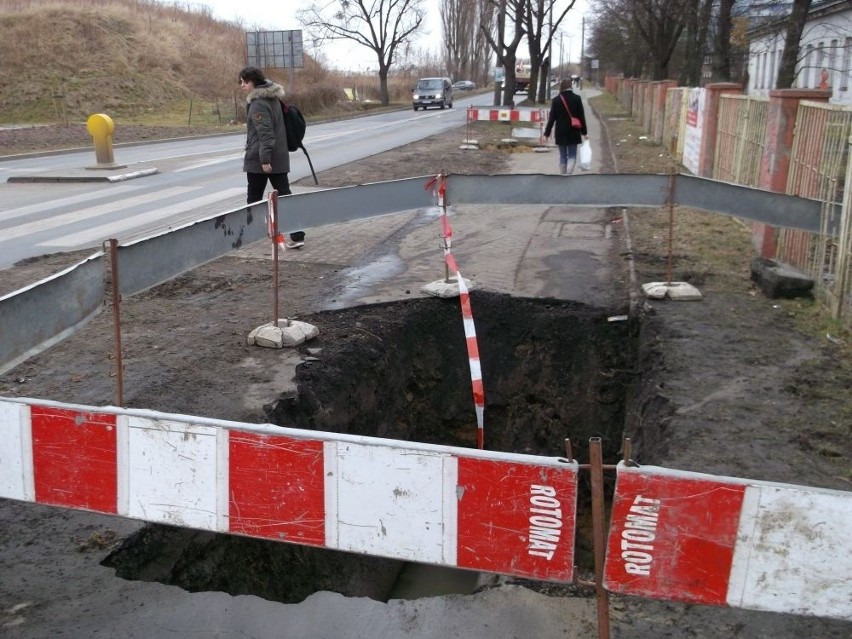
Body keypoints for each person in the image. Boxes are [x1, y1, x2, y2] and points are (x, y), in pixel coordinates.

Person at [238, 66, 304, 248]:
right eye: (241, 82)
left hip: (262, 160)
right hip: (279, 158)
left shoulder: (258, 103)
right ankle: (298, 234)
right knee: (285, 197)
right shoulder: (273, 98)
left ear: (254, 82)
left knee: (254, 199)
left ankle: (251, 233)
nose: (242, 85)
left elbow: (265, 134)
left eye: (245, 81)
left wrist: (265, 160)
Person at [543, 78, 589, 175]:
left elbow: (552, 118)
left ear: (562, 87)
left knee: (563, 156)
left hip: (560, 132)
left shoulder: (556, 100)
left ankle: (563, 175)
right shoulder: (577, 98)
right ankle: (568, 174)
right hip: (574, 131)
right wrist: (584, 133)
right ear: (570, 86)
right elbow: (581, 117)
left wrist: (546, 134)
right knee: (572, 155)